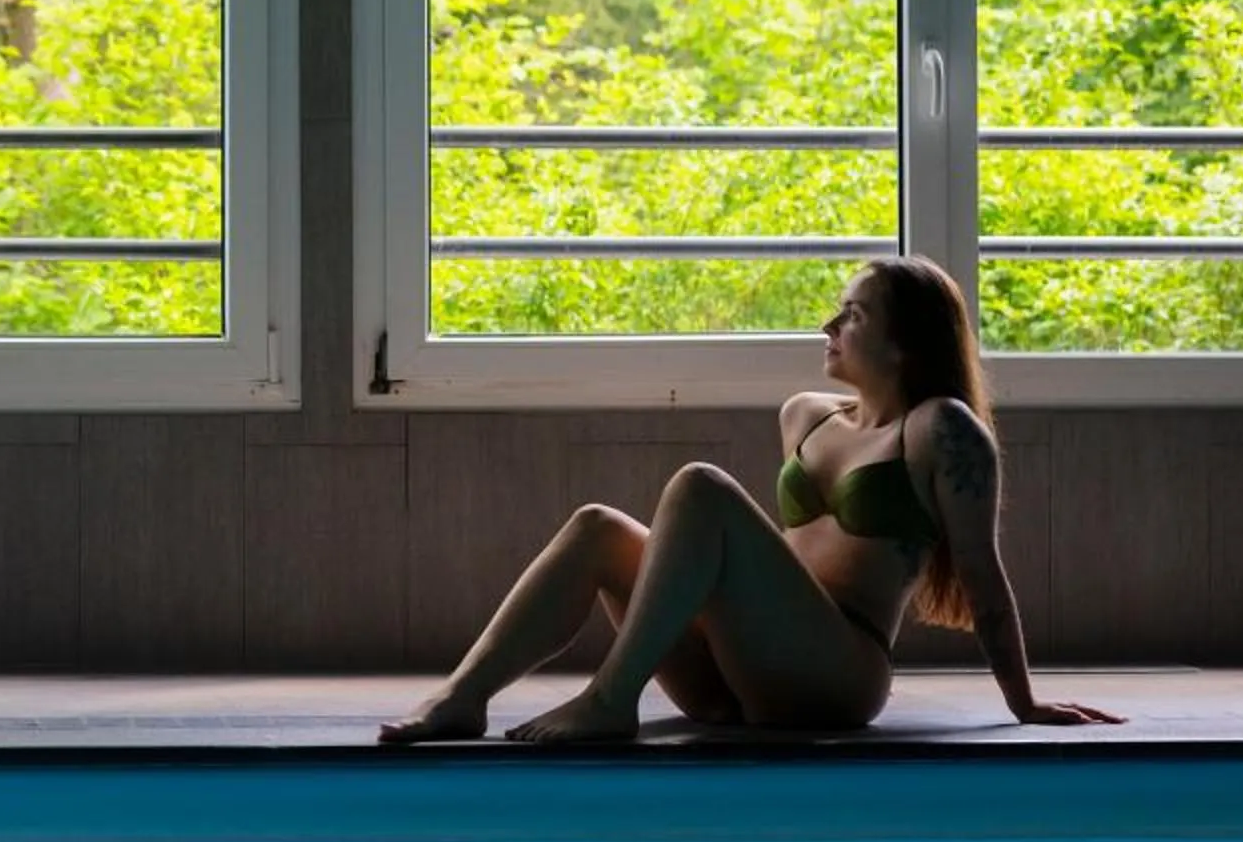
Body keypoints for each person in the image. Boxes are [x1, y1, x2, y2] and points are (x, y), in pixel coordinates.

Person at [379, 254, 1121, 746]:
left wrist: (1024, 706)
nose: (830, 326)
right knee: (597, 527)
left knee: (701, 485)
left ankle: (611, 699)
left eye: (854, 315)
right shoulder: (806, 415)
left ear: (906, 344)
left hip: (836, 677)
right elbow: (752, 573)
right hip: (739, 673)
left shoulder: (941, 431)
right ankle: (462, 697)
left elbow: (985, 584)